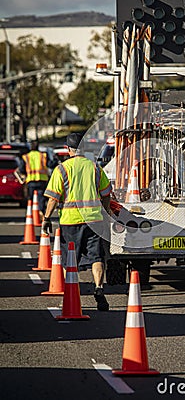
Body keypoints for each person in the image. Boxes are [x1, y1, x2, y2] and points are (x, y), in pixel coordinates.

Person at [41, 132, 112, 311]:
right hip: (94, 220)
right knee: (96, 257)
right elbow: (106, 194)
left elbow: (53, 199)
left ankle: (71, 293)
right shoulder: (95, 168)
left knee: (70, 260)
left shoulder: (62, 169)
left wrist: (46, 218)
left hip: (70, 221)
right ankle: (99, 288)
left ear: (67, 149)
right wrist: (105, 211)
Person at [18, 141, 57, 218]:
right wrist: (56, 160)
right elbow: (50, 164)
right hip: (41, 180)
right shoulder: (43, 155)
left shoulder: (26, 157)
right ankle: (41, 212)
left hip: (31, 180)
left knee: (31, 198)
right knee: (41, 198)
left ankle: (31, 214)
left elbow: (22, 169)